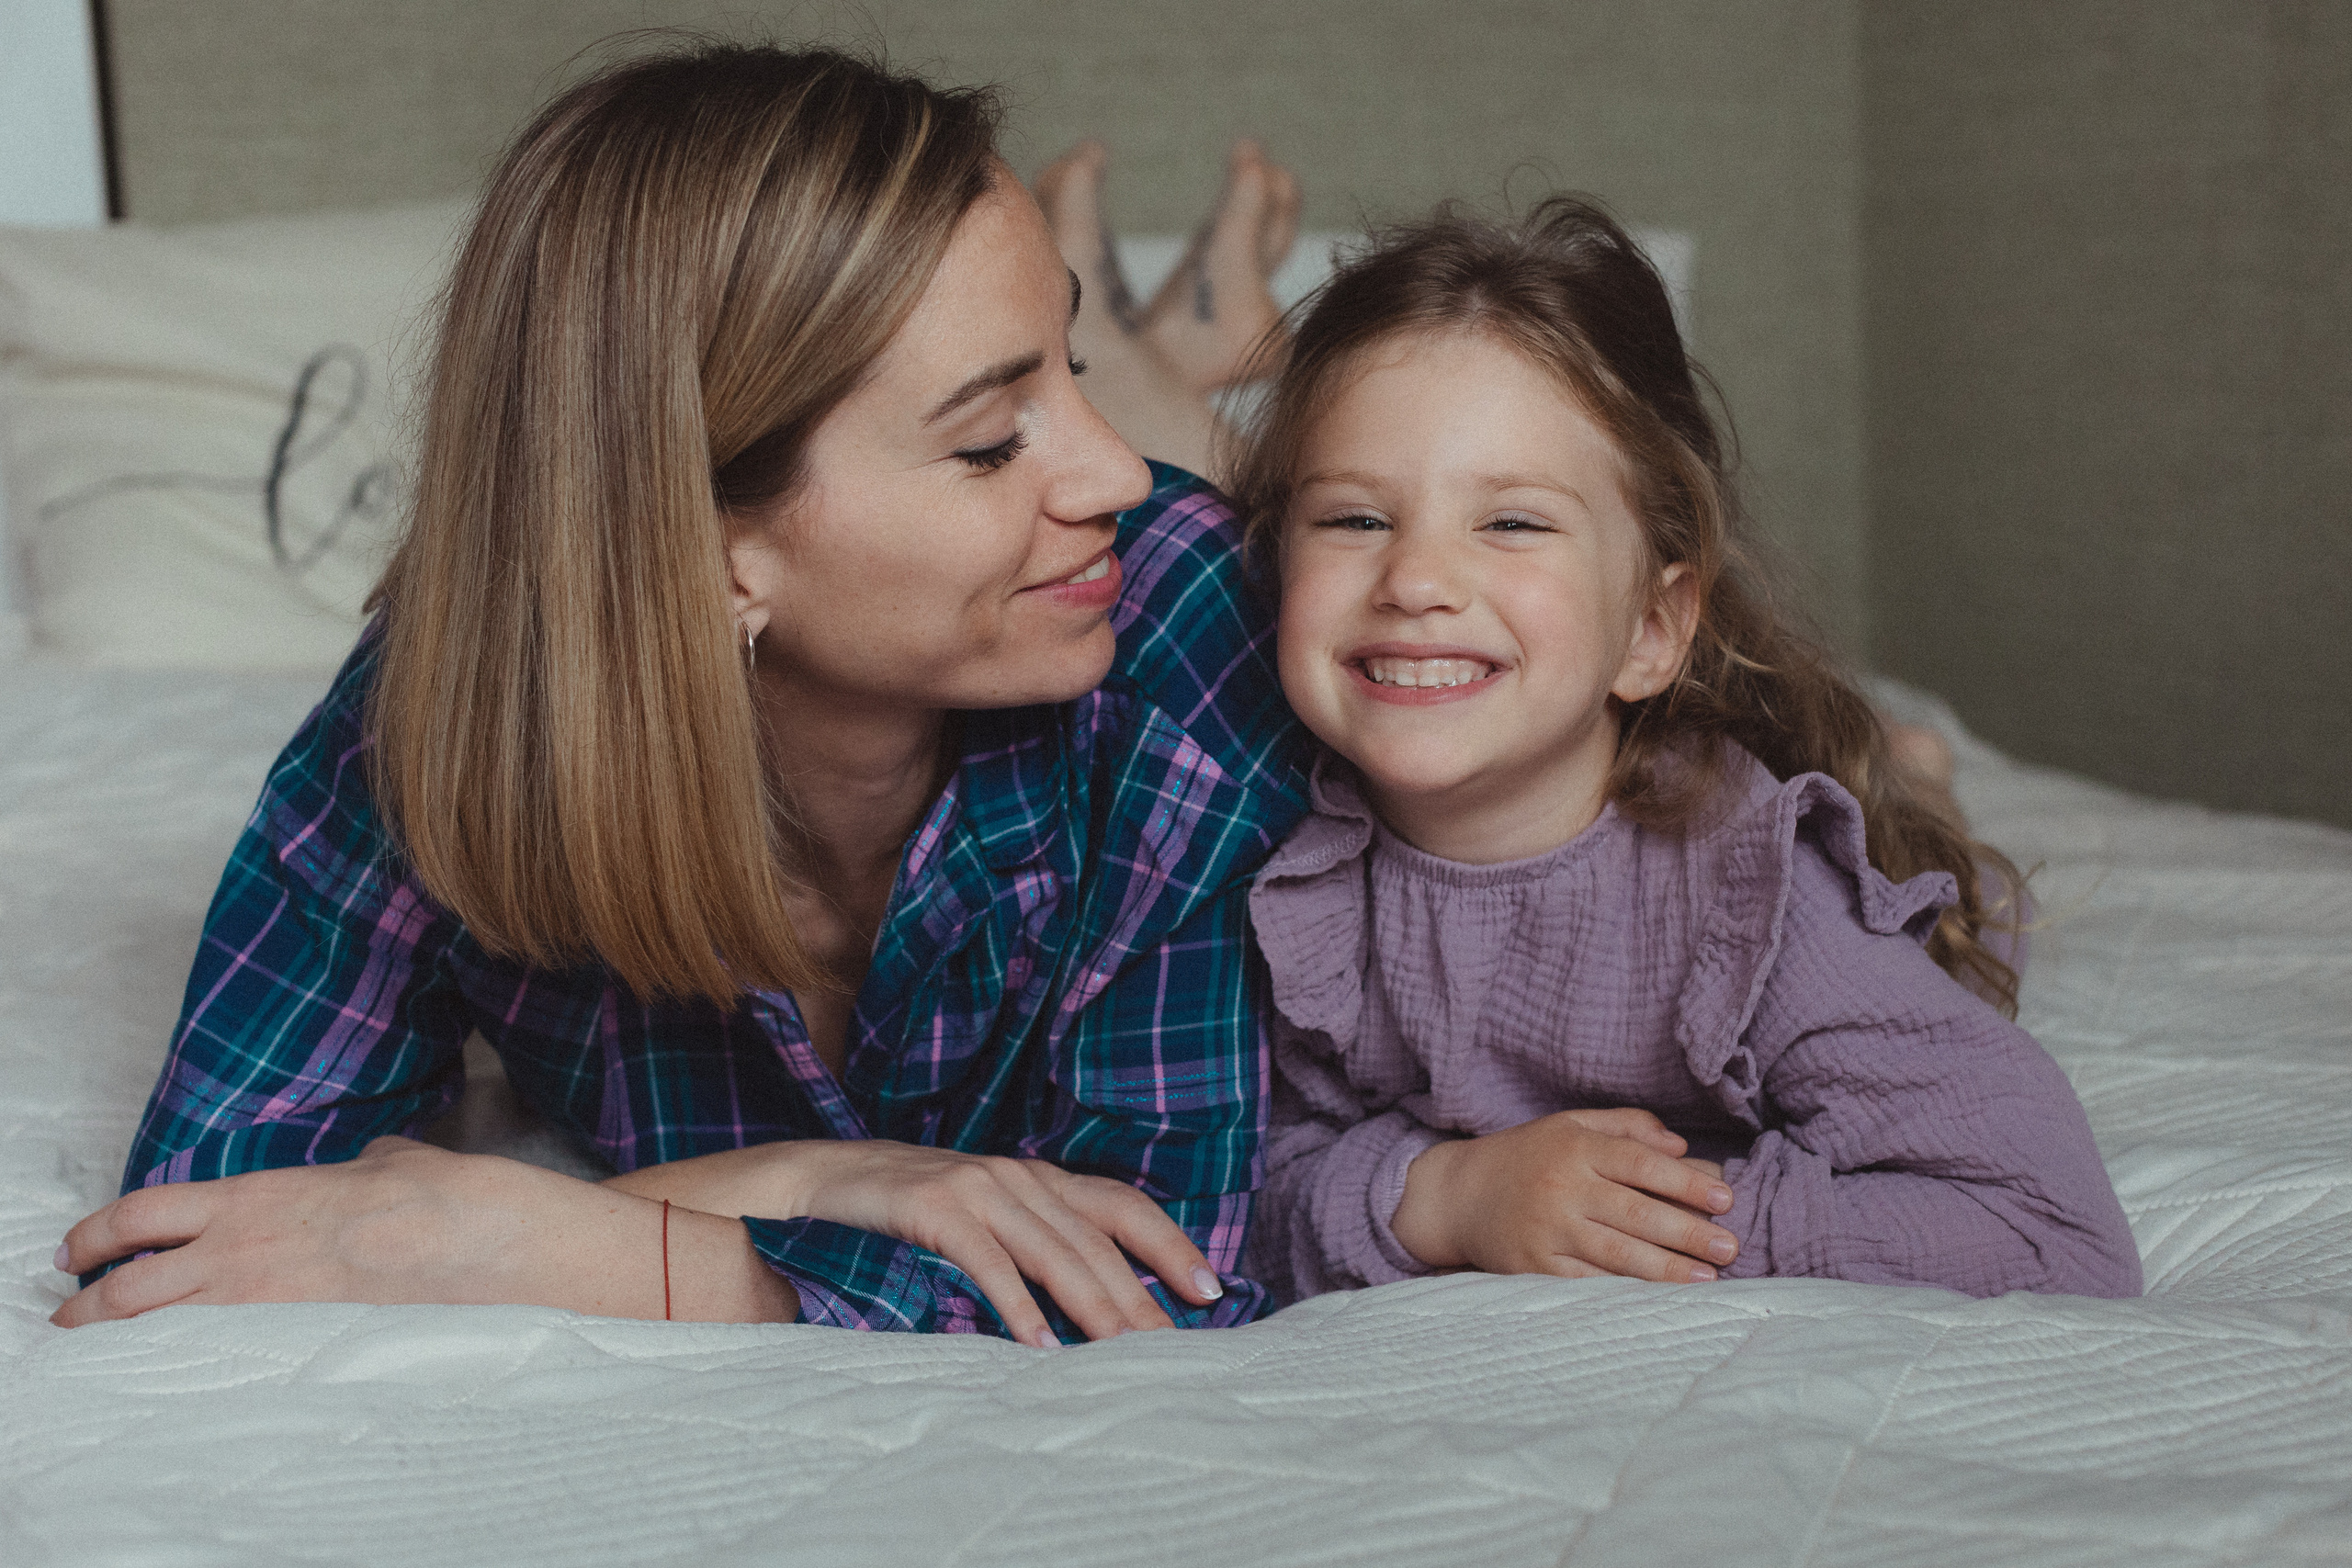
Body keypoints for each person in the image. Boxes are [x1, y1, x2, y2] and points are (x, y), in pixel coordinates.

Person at [50, 41, 1316, 1347]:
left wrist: (577, 1241)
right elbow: (212, 1217)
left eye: (1066, 375)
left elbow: (1168, 1263)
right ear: (707, 548)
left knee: (1269, 491)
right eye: (990, 438)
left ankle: (1159, 340)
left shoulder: (1183, 622)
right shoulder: (452, 705)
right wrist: (829, 1176)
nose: (1109, 473)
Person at [1231, 198, 2143, 1304]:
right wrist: (1451, 1198)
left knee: (1929, 868)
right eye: (1354, 521)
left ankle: (1912, 781)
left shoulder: (1758, 906)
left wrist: (1644, 1218)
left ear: (1652, 630)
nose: (1416, 581)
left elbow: (2051, 1231)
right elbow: (1238, 1193)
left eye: (1512, 522)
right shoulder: (1285, 874)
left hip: (1760, 853)